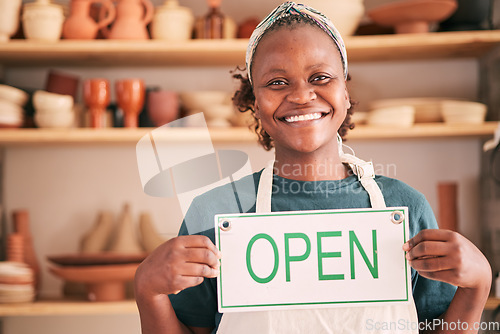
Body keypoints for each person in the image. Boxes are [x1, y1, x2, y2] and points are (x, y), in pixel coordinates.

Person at [134, 2, 491, 333]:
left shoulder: (406, 207)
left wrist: (478, 286)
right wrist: (148, 292)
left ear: (345, 93)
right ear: (255, 104)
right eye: (277, 82)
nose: (302, 95)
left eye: (320, 77)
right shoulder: (214, 213)